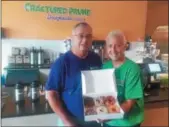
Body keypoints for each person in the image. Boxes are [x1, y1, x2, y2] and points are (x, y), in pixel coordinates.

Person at [45, 22, 102, 126]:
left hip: (94, 120)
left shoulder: (96, 59)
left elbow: (100, 87)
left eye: (88, 36)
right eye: (81, 36)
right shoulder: (61, 63)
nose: (85, 40)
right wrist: (67, 122)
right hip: (71, 121)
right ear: (72, 38)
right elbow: (51, 94)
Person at [101, 30, 144, 127]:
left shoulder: (132, 69)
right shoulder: (105, 67)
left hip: (128, 122)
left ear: (125, 46)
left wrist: (108, 115)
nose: (113, 49)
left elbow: (129, 103)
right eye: (110, 46)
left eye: (118, 45)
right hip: (110, 122)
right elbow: (102, 96)